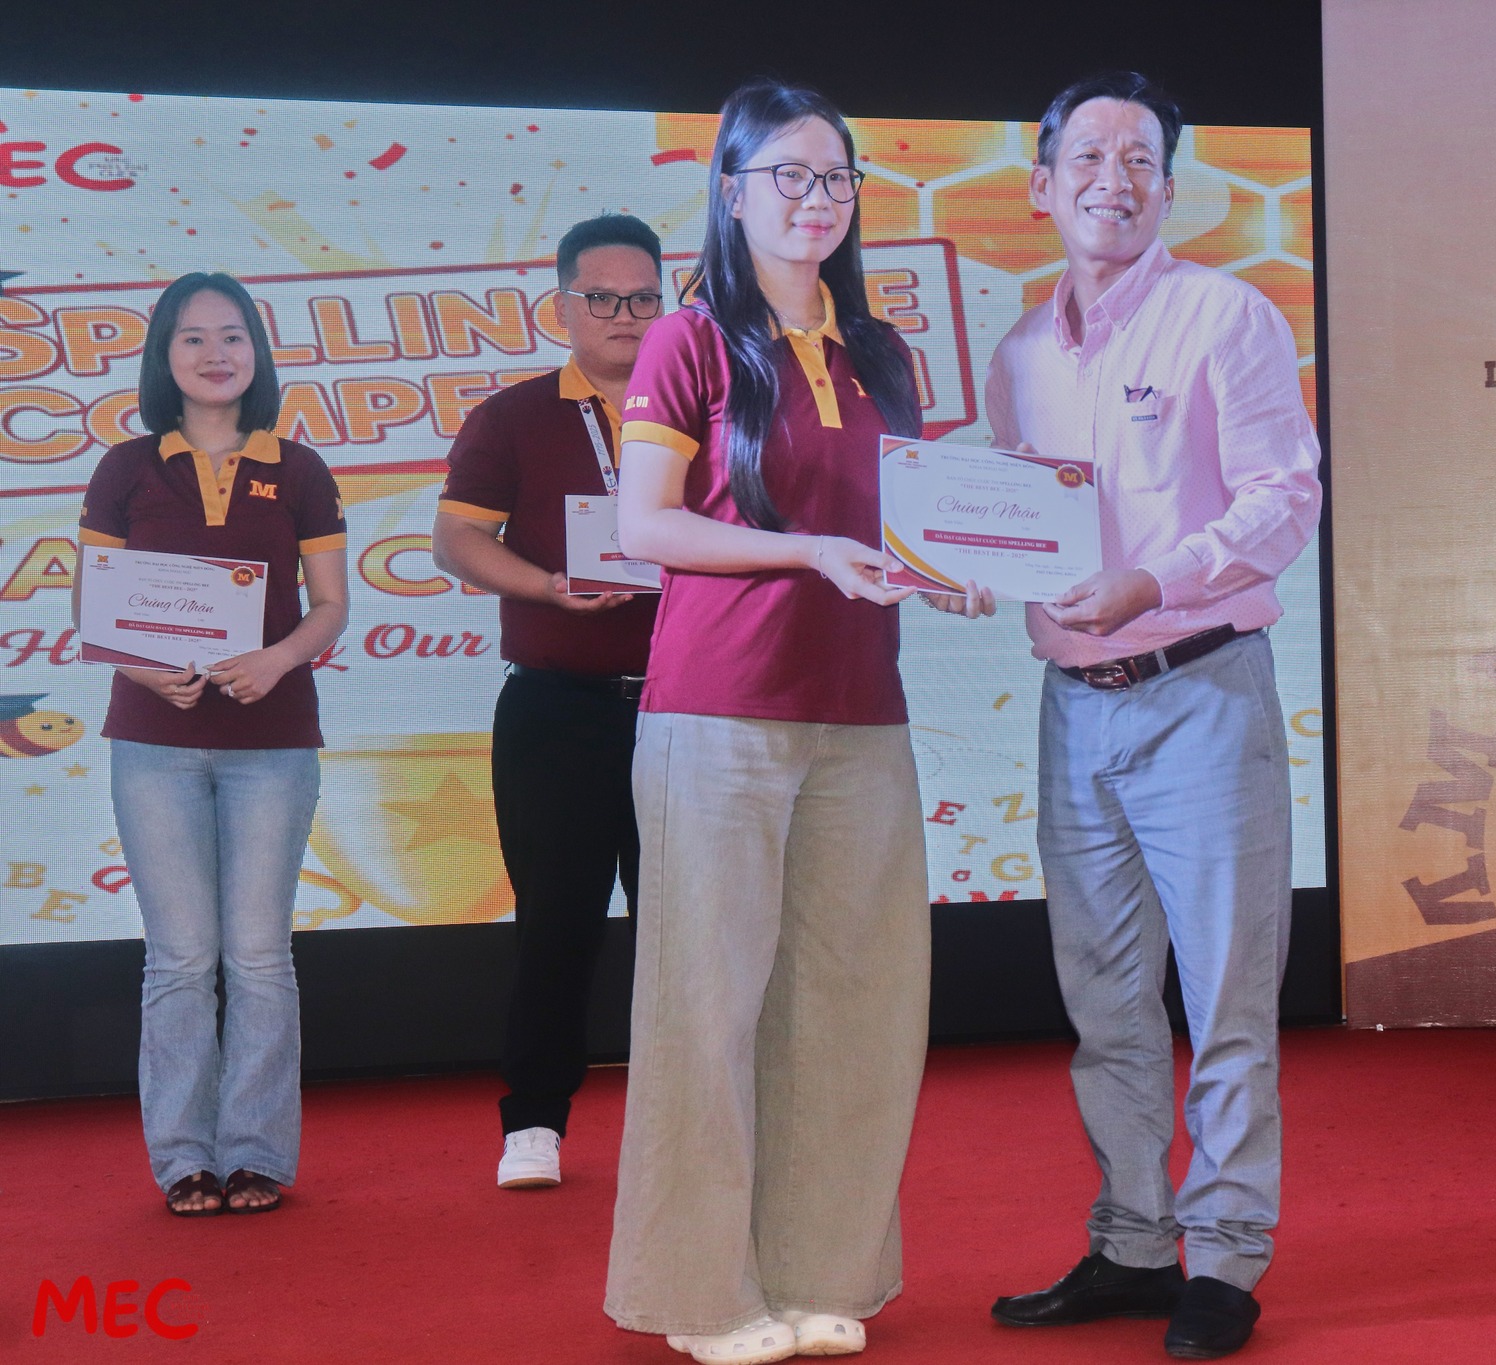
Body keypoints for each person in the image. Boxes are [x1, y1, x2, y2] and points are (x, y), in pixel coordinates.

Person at [943, 72, 1323, 1360]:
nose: (1113, 179)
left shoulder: (1225, 314)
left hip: (1199, 691)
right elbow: (1016, 523)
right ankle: (1132, 1242)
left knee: (1225, 998)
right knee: (1104, 1003)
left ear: (1167, 186)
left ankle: (1222, 1258)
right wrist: (952, 566)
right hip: (1073, 710)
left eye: (1139, 160)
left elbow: (1285, 496)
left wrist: (1153, 583)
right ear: (1038, 186)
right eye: (1088, 158)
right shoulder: (1016, 352)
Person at [602, 81, 929, 1365]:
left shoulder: (882, 352)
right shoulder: (688, 341)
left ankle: (814, 1272)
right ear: (731, 191)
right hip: (718, 707)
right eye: (788, 174)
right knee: (708, 1006)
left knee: (849, 1001)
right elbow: (647, 526)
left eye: (835, 176)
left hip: (862, 709)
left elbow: (908, 516)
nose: (816, 199)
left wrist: (950, 565)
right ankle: (701, 1295)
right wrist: (806, 552)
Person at [74, 271, 350, 1217]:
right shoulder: (125, 467)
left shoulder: (299, 468)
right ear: (165, 356)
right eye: (192, 337)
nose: (215, 353)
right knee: (181, 957)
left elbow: (331, 606)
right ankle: (185, 1156)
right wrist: (148, 669)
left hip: (273, 740)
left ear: (257, 353)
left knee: (260, 956)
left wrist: (277, 659)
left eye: (232, 335)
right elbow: (93, 609)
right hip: (154, 741)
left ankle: (257, 1152)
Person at [432, 214, 665, 1190]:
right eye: (601, 297)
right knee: (556, 920)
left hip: (686, 708)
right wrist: (545, 588)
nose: (624, 314)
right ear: (562, 305)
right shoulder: (515, 415)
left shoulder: (703, 409)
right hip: (556, 710)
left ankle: (685, 1117)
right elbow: (455, 541)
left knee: (687, 926)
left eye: (643, 297)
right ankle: (534, 1119)